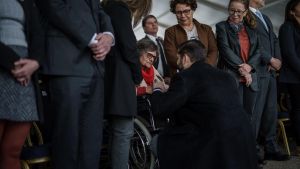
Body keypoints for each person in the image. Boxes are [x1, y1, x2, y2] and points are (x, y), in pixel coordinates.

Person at [150, 40, 258, 169]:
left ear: (185, 57)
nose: (176, 61)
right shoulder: (226, 76)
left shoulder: (184, 77)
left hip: (211, 140)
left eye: (178, 57)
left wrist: (157, 89)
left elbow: (161, 109)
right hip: (242, 137)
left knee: (156, 143)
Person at [35, 0, 114, 169]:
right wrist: (91, 38)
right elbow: (53, 6)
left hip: (95, 67)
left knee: (92, 142)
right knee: (67, 140)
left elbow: (99, 11)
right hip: (65, 63)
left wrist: (108, 35)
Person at [101, 0, 151, 169]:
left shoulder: (107, 7)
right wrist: (137, 75)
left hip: (109, 77)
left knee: (116, 133)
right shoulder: (119, 8)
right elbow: (128, 44)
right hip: (120, 79)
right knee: (123, 132)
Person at [0, 0, 44, 169]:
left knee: (12, 151)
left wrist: (35, 63)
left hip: (26, 73)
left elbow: (38, 35)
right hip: (10, 67)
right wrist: (14, 64)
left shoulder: (27, 2)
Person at [249, 0, 288, 161]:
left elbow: (274, 40)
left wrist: (277, 59)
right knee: (255, 113)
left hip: (271, 71)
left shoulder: (265, 17)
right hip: (257, 70)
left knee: (271, 112)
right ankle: (253, 150)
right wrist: (270, 59)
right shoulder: (245, 15)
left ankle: (271, 146)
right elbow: (252, 42)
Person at [216, 0, 260, 122]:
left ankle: (247, 141)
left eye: (239, 11)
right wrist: (243, 70)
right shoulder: (221, 27)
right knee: (233, 114)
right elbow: (225, 50)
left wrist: (250, 67)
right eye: (232, 10)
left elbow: (258, 50)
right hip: (232, 76)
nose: (235, 14)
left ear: (245, 12)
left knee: (249, 115)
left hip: (251, 78)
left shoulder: (252, 29)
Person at [164, 0, 218, 77]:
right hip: (183, 75)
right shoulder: (170, 32)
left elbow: (213, 51)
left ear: (192, 10)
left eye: (186, 11)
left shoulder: (206, 29)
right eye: (178, 12)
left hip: (206, 73)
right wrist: (192, 69)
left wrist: (205, 67)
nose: (182, 15)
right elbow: (171, 57)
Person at [279, 0, 300, 156]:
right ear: (292, 11)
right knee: (298, 110)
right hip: (294, 77)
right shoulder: (287, 28)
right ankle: (299, 145)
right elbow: (290, 55)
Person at [141, 15, 170, 83]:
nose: (154, 24)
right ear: (144, 28)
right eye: (150, 23)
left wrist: (169, 75)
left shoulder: (162, 41)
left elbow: (167, 59)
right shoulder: (141, 44)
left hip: (167, 79)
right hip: (151, 81)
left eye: (155, 22)